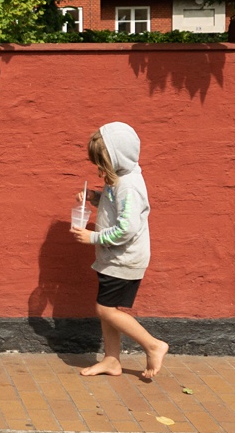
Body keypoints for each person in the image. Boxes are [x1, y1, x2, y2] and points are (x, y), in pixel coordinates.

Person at [69, 121, 169, 380]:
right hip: (113, 257)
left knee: (105, 310)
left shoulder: (129, 185)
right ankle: (112, 360)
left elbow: (127, 227)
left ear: (117, 157)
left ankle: (153, 345)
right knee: (108, 309)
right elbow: (117, 207)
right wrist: (95, 197)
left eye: (102, 162)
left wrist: (94, 237)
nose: (100, 168)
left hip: (124, 258)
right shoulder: (121, 179)